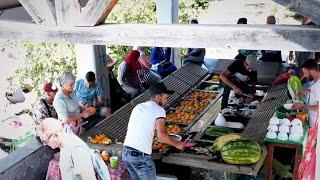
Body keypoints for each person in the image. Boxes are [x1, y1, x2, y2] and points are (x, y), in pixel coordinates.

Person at [122, 83, 194, 180]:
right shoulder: (159, 110)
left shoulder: (139, 106)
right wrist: (177, 144)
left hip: (126, 154)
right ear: (159, 97)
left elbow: (143, 127)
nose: (166, 101)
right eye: (166, 98)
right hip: (140, 157)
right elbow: (161, 136)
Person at [293, 59, 320, 127]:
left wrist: (302, 106)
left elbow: (318, 108)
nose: (304, 76)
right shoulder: (316, 81)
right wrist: (304, 90)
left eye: (305, 73)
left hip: (316, 125)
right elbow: (314, 91)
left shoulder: (318, 85)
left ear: (312, 72)